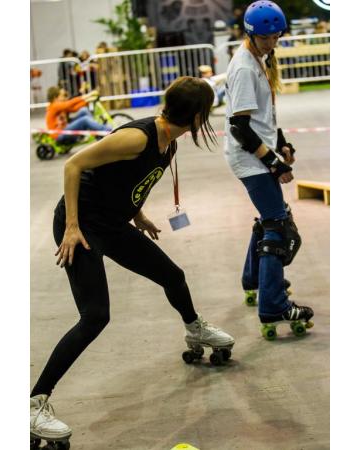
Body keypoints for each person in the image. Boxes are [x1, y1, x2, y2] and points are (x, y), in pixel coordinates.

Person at [31, 76, 235, 447]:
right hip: (82, 225)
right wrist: (72, 226)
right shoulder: (138, 138)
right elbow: (73, 165)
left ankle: (195, 329)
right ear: (196, 116)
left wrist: (137, 214)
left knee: (172, 275)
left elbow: (125, 180)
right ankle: (34, 403)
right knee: (95, 316)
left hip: (111, 223)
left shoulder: (169, 142)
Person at [223, 0, 314, 339]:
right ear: (251, 35)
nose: (273, 42)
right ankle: (273, 305)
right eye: (267, 38)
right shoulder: (245, 68)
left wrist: (282, 142)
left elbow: (261, 117)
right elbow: (239, 127)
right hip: (249, 158)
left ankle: (254, 280)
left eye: (277, 36)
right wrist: (274, 164)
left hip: (256, 153)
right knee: (278, 226)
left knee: (270, 218)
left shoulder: (258, 58)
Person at [44, 87, 110, 146]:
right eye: (61, 96)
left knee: (84, 110)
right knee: (85, 120)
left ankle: (97, 131)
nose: (64, 98)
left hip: (65, 128)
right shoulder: (53, 106)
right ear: (55, 97)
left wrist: (87, 101)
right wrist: (86, 96)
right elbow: (68, 104)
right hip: (59, 134)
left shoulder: (59, 105)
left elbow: (74, 108)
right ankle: (107, 131)